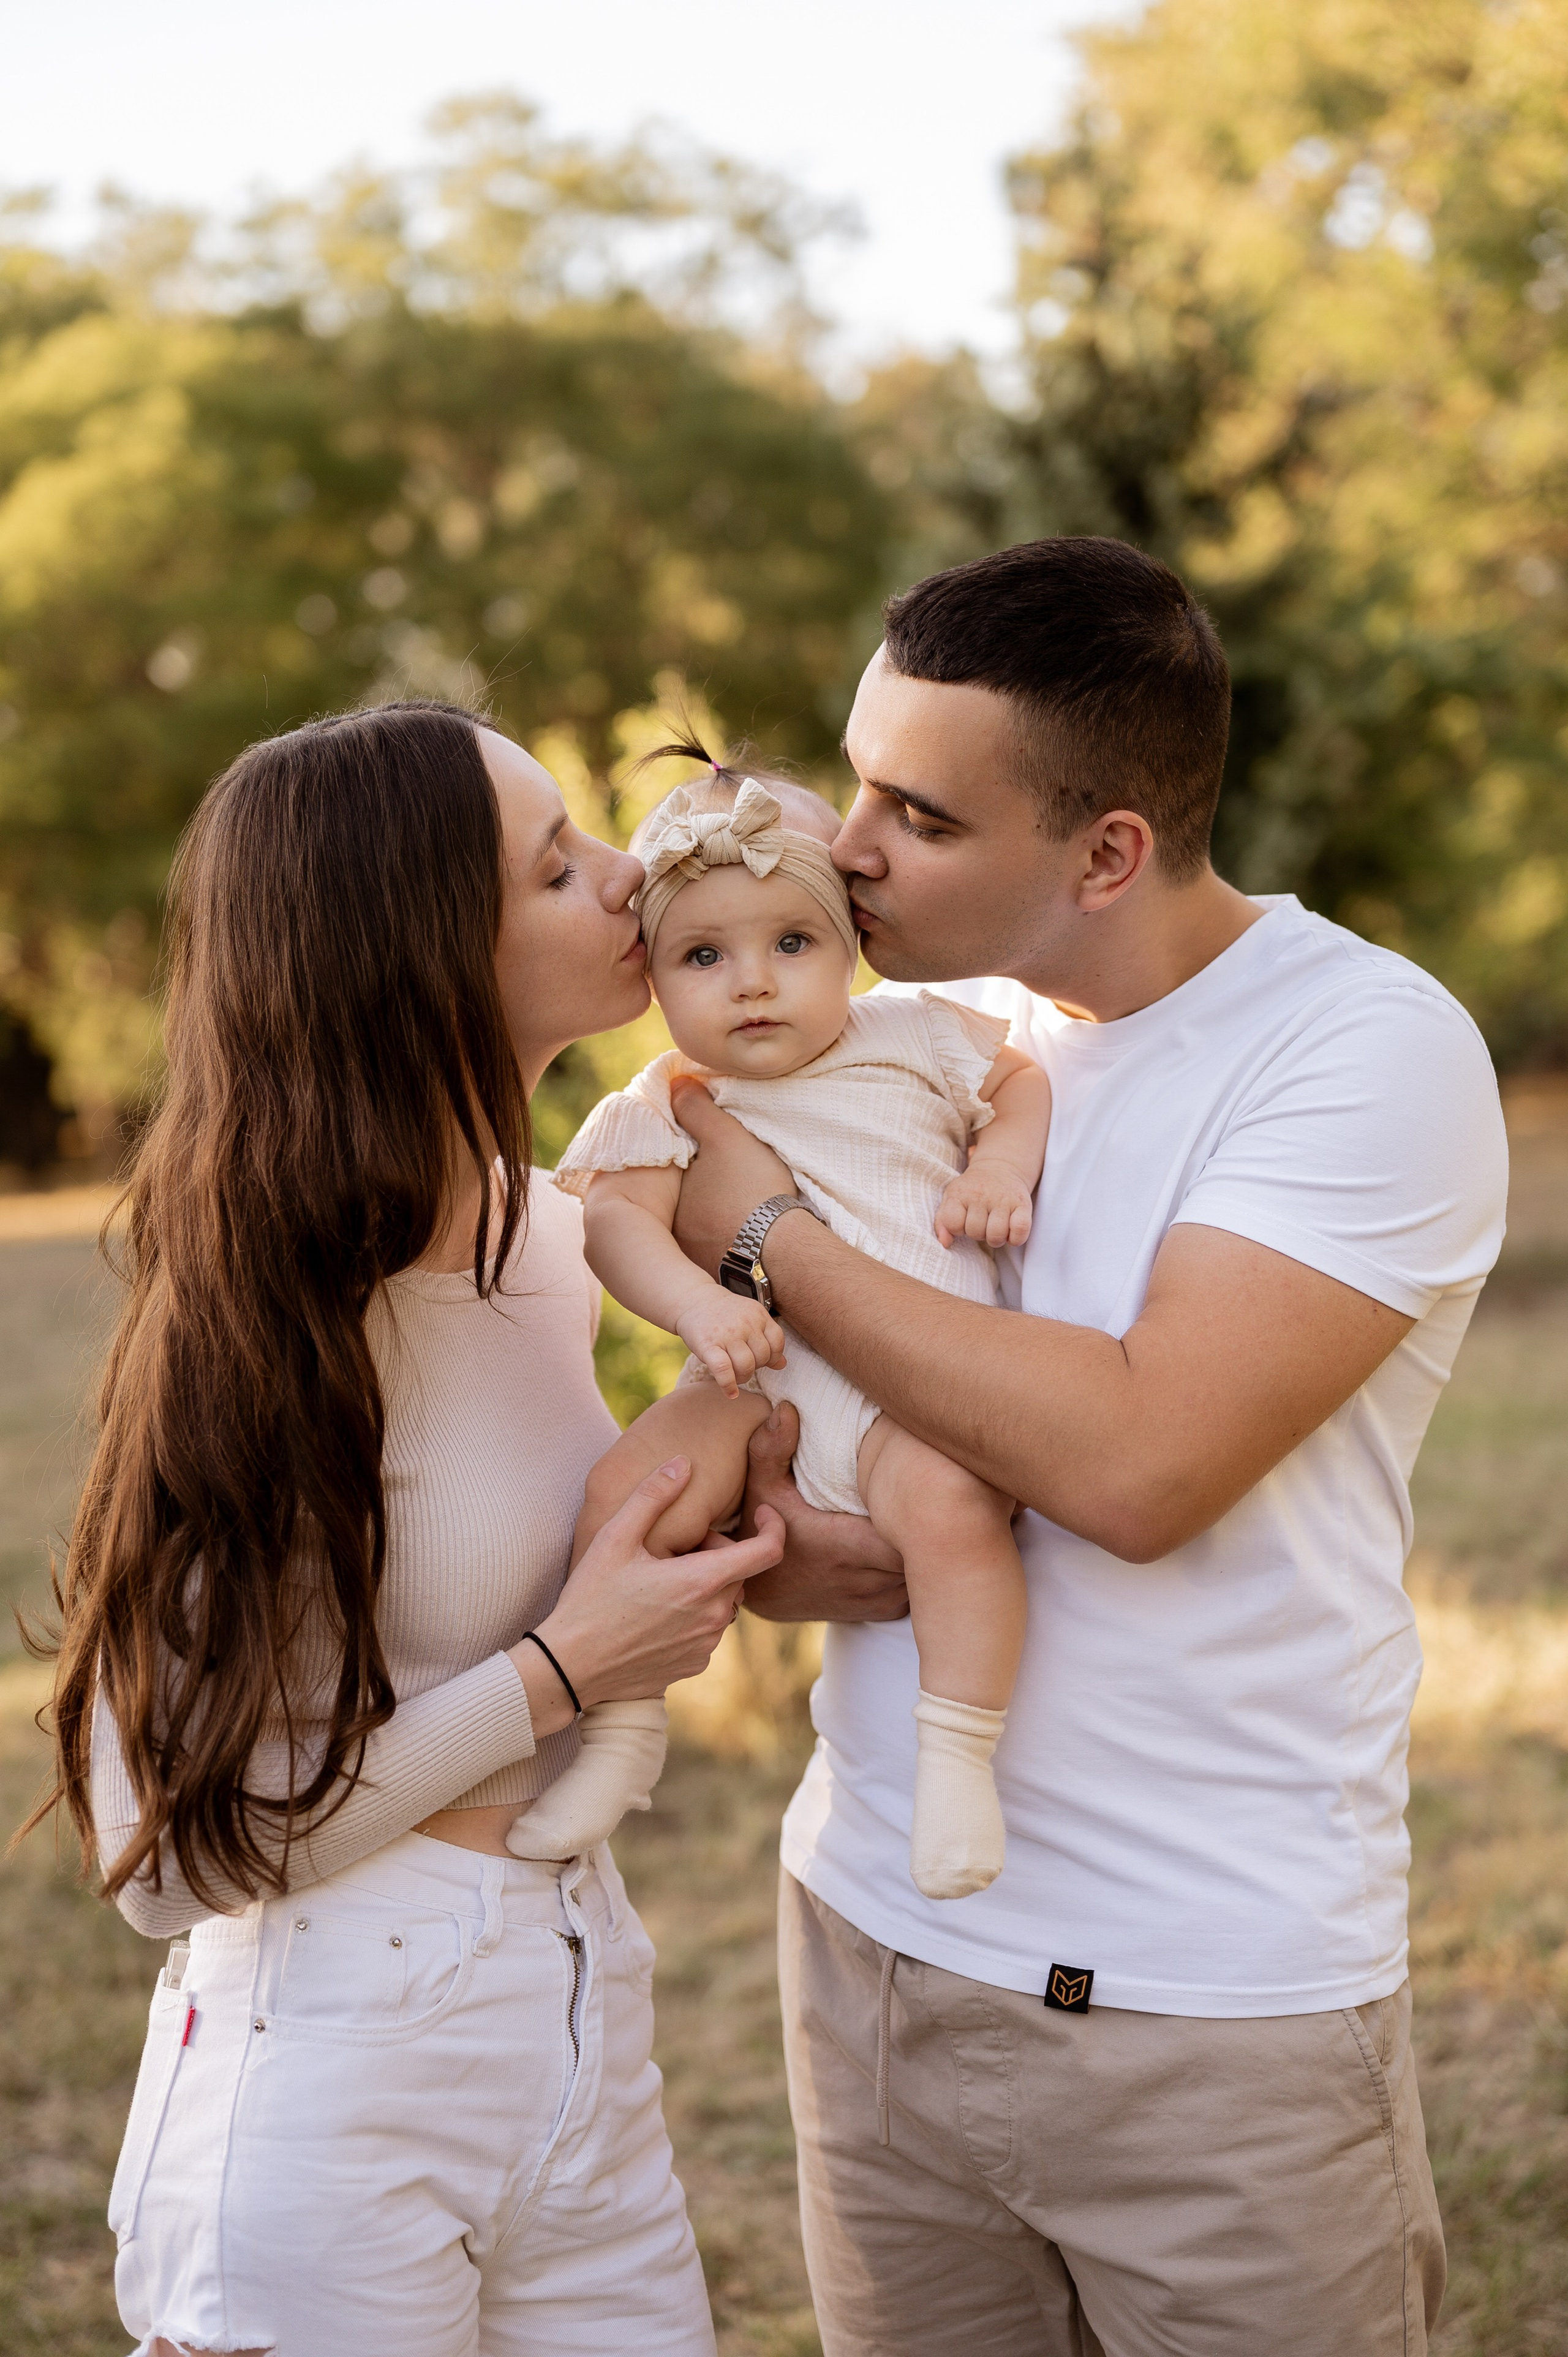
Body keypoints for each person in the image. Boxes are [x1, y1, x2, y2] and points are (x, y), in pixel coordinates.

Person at [669, 537, 1509, 2357]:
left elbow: (1135, 1468)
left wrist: (772, 1238)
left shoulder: (1361, 1050)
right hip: (873, 1950)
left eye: (920, 814)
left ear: (1107, 851)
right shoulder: (919, 1031)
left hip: (1202, 2014)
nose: (854, 845)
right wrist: (784, 1547)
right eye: (858, 774)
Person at [25, 701, 783, 2357]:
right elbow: (171, 1855)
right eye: (558, 866)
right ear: (418, 953)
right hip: (336, 2074)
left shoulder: (569, 1235)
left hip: (581, 2005)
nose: (626, 881)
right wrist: (566, 1669)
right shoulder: (278, 1311)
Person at [513, 758, 1049, 1900]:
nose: (751, 985)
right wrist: (700, 1304)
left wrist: (999, 1161)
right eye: (703, 956)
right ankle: (624, 1732)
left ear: (849, 939)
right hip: (762, 1383)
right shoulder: (666, 1099)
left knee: (956, 1517)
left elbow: (1021, 1085)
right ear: (651, 971)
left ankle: (957, 1760)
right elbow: (616, 1227)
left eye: (790, 945)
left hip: (923, 1392)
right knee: (628, 1492)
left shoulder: (914, 1034)